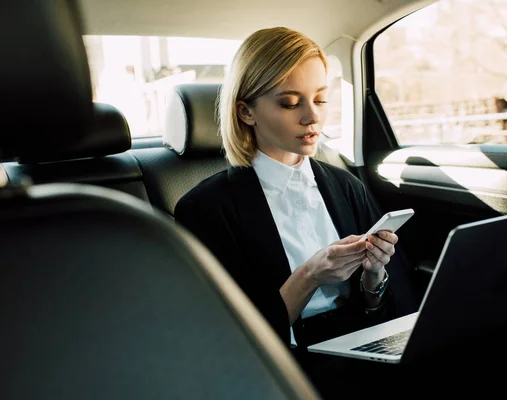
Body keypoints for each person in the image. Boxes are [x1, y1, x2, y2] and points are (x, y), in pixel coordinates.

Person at [174, 26, 420, 398]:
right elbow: (228, 341)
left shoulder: (346, 186)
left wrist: (373, 280)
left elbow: (388, 309)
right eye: (290, 103)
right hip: (281, 364)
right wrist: (309, 276)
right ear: (246, 112)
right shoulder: (204, 210)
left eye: (320, 100)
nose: (311, 118)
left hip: (360, 348)